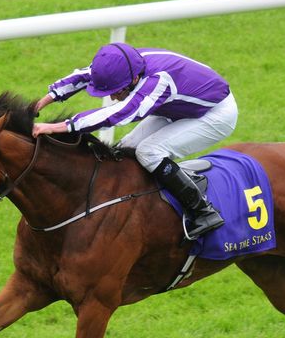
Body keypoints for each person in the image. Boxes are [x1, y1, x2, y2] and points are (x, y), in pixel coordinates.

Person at [32, 43, 237, 238]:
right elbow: (81, 76)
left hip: (215, 114)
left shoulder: (158, 80)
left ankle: (203, 211)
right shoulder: (124, 64)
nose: (112, 98)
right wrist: (42, 102)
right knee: (124, 150)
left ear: (133, 80)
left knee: (149, 152)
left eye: (116, 92)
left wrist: (56, 127)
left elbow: (119, 113)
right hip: (176, 108)